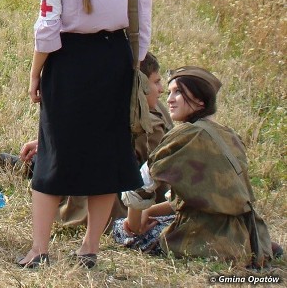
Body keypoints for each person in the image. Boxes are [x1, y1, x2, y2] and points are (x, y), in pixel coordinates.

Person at [18, 0, 151, 269]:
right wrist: (132, 70)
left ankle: (40, 249)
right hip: (115, 62)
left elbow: (47, 27)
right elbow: (141, 28)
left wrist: (35, 73)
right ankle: (89, 248)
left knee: (53, 155)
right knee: (106, 156)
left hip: (67, 60)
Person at [112, 67, 278, 268]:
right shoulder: (230, 135)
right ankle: (247, 248)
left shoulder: (184, 136)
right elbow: (198, 200)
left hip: (205, 237)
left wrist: (134, 227)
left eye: (178, 92)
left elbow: (139, 189)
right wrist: (151, 212)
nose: (170, 98)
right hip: (247, 233)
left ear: (200, 101)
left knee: (119, 228)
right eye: (171, 91)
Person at [2, 52, 172, 228]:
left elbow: (115, 158)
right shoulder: (141, 108)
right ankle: (38, 163)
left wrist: (58, 145)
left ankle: (37, 165)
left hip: (116, 198)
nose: (161, 89)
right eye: (156, 82)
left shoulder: (150, 122)